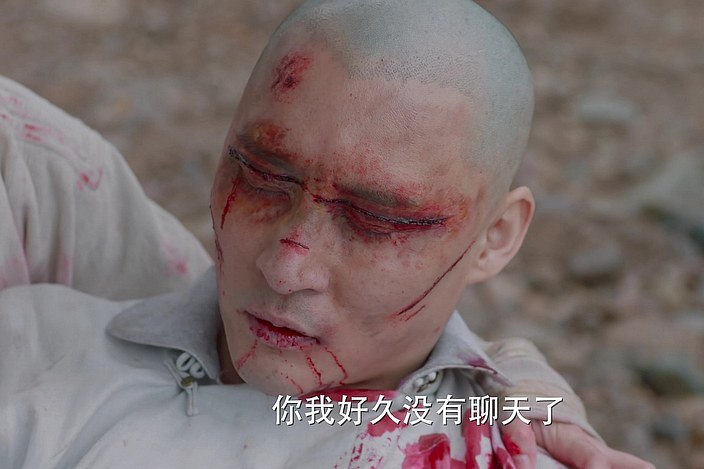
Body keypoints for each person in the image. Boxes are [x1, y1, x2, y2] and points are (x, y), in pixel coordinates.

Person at [0, 0, 653, 467]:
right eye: (261, 178)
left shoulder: (492, 443)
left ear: (496, 237)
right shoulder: (40, 349)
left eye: (377, 220)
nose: (285, 268)